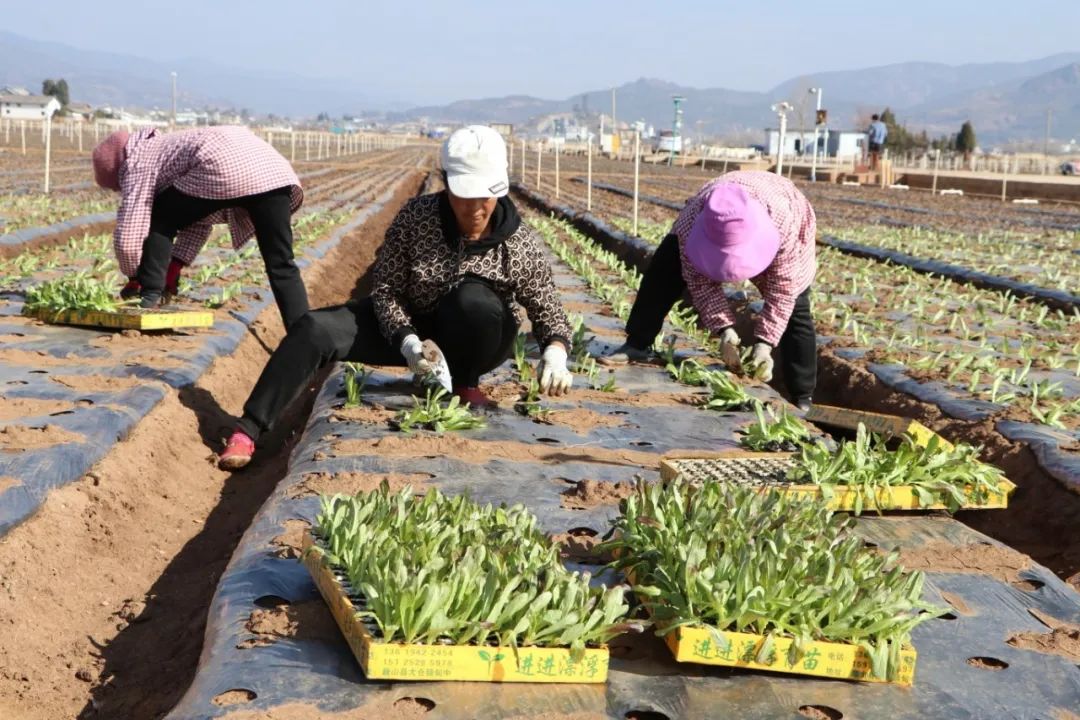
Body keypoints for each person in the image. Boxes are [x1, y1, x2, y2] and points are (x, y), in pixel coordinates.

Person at [217, 125, 574, 470]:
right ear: (447, 186)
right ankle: (248, 429)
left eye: (486, 197)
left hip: (477, 339)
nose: (477, 209)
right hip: (410, 330)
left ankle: (464, 384)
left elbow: (547, 308)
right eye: (465, 198)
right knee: (314, 328)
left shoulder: (518, 243)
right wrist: (408, 341)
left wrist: (555, 354)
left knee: (473, 301)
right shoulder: (415, 219)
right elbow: (385, 290)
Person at [603, 171, 817, 410]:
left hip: (787, 208)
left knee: (796, 303)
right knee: (664, 269)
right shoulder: (692, 223)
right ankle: (637, 343)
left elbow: (783, 292)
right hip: (714, 213)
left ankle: (802, 397)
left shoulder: (784, 223)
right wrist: (724, 329)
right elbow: (701, 284)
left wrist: (764, 344)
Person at [91, 126, 309, 329]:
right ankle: (304, 336)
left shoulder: (137, 160)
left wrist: (135, 277)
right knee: (281, 262)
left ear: (117, 171)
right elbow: (198, 217)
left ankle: (149, 297)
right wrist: (174, 266)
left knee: (160, 215)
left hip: (225, 163)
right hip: (275, 171)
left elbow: (130, 233)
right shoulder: (167, 147)